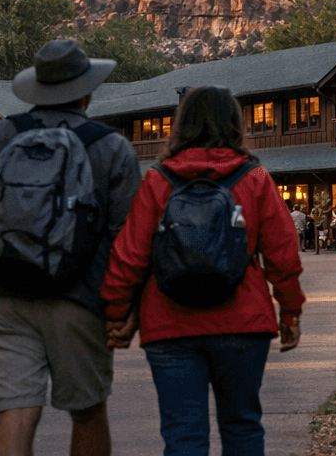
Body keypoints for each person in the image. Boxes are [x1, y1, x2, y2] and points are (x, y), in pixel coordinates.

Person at [0, 39, 139, 456]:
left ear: (38, 89)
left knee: (15, 413)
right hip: (79, 300)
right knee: (87, 411)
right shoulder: (111, 147)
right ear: (86, 93)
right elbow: (129, 239)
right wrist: (125, 306)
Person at [102, 85, 304, 456]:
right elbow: (283, 253)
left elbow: (129, 255)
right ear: (235, 124)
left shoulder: (158, 180)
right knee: (242, 427)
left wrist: (116, 314)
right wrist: (289, 312)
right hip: (243, 321)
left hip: (169, 324)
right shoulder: (254, 178)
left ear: (181, 125)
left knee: (183, 436)